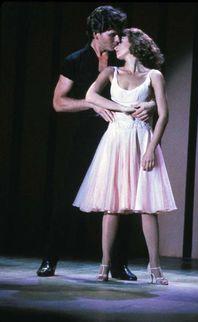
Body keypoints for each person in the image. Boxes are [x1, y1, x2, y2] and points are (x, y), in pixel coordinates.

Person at [37, 6, 154, 280]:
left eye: (119, 36)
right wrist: (91, 103)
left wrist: (148, 104)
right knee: (67, 198)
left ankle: (118, 264)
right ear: (96, 33)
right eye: (112, 35)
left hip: (121, 138)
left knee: (122, 198)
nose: (117, 40)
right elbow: (59, 102)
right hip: (86, 138)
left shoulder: (123, 62)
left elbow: (147, 86)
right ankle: (49, 259)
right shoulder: (76, 60)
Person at [72, 28, 177, 284]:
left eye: (121, 41)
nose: (116, 44)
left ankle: (155, 268)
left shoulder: (154, 76)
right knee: (112, 205)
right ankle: (105, 265)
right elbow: (90, 95)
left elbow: (163, 114)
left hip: (141, 140)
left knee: (147, 206)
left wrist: (151, 148)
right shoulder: (111, 72)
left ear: (135, 45)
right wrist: (121, 108)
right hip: (115, 140)